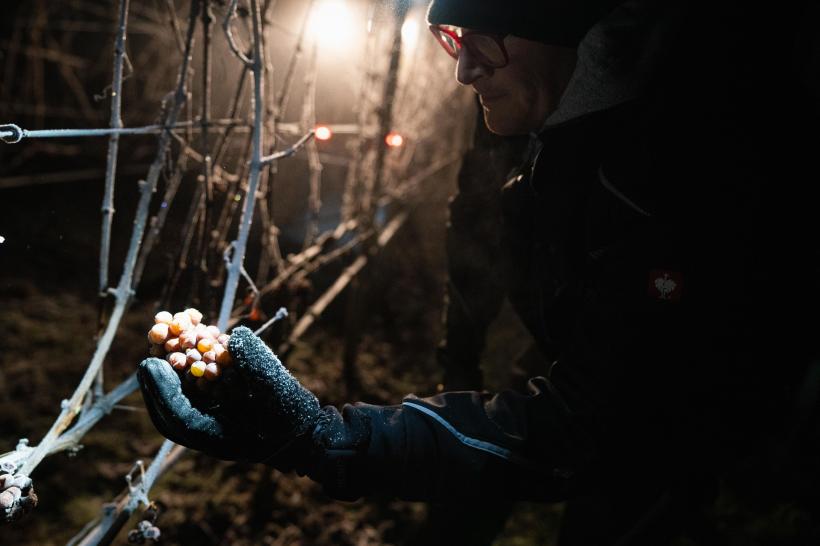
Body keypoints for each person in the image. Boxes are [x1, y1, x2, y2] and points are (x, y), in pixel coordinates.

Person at [138, 0, 819, 543]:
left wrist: (326, 439)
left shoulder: (684, 164)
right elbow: (475, 221)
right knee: (471, 488)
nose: (463, 71)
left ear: (564, 28)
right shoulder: (521, 99)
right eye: (454, 38)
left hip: (681, 413)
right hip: (567, 338)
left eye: (484, 39)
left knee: (617, 509)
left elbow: (589, 425)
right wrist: (457, 359)